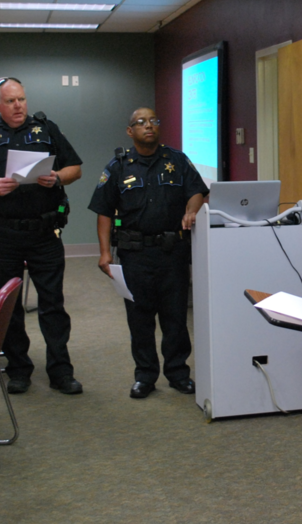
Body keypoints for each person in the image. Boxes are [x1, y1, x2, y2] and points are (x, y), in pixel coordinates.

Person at [0, 77, 84, 395]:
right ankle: (18, 369)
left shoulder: (46, 129)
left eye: (22, 100)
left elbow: (75, 169)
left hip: (44, 232)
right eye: (11, 101)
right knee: (8, 305)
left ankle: (60, 370)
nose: (18, 106)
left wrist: (56, 178)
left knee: (53, 303)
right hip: (2, 233)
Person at [88, 107, 208, 399]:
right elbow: (103, 212)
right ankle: (145, 376)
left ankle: (179, 373)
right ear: (130, 132)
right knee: (140, 318)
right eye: (140, 123)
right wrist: (105, 253)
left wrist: (192, 210)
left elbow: (197, 190)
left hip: (173, 251)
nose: (148, 126)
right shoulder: (118, 166)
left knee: (175, 317)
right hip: (134, 253)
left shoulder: (177, 160)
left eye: (153, 120)